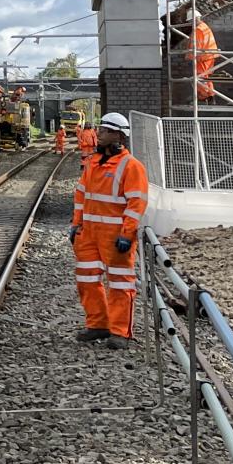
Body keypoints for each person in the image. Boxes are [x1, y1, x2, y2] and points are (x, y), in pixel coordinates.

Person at [71, 112, 148, 349]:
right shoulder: (93, 162)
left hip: (115, 236)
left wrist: (127, 234)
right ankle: (98, 325)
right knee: (87, 279)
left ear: (117, 136)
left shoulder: (131, 166)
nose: (99, 134)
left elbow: (136, 204)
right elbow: (81, 195)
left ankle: (120, 332)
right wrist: (76, 224)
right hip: (89, 234)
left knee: (120, 283)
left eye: (104, 131)